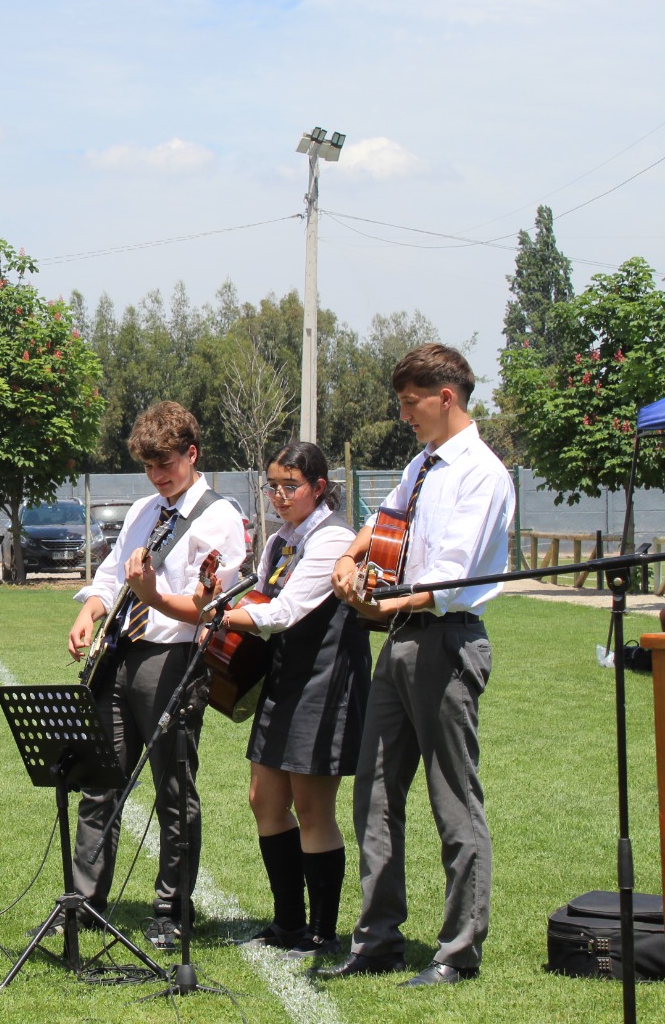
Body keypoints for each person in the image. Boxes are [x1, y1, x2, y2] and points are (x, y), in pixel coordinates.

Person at [320, 344, 514, 988]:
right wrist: (348, 560)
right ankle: (378, 941)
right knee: (374, 794)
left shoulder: (481, 473)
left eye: (410, 403)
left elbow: (452, 577)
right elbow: (384, 521)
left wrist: (380, 602)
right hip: (401, 641)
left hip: (446, 642)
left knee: (453, 800)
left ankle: (458, 952)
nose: (404, 415)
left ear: (445, 397)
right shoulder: (423, 463)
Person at [66, 401, 246, 950]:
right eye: (148, 466)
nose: (157, 475)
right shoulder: (145, 509)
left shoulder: (219, 517)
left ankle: (172, 909)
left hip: (173, 659)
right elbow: (111, 573)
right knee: (100, 784)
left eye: (165, 463)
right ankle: (85, 903)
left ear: (192, 454)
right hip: (121, 654)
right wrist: (90, 609)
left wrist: (154, 598)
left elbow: (208, 607)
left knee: (173, 789)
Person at [205, 442, 371, 958]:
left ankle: (321, 932)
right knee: (265, 800)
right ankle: (287, 922)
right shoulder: (279, 540)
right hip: (284, 679)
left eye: (289, 486)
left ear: (318, 488)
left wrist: (212, 618)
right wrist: (215, 603)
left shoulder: (334, 538)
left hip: (324, 682)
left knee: (313, 807)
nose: (278, 496)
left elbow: (284, 612)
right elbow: (259, 597)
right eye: (272, 486)